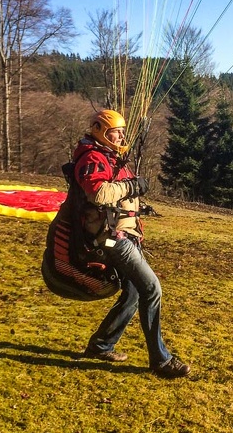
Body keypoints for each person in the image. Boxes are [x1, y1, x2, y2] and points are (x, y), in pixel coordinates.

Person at [73, 109, 190, 379]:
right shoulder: (92, 157)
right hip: (111, 238)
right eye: (117, 131)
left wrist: (136, 205)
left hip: (122, 233)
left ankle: (101, 345)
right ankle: (160, 360)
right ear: (101, 130)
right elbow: (99, 192)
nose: (122, 135)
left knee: (135, 292)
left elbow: (118, 191)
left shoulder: (109, 156)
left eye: (122, 130)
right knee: (151, 289)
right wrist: (132, 188)